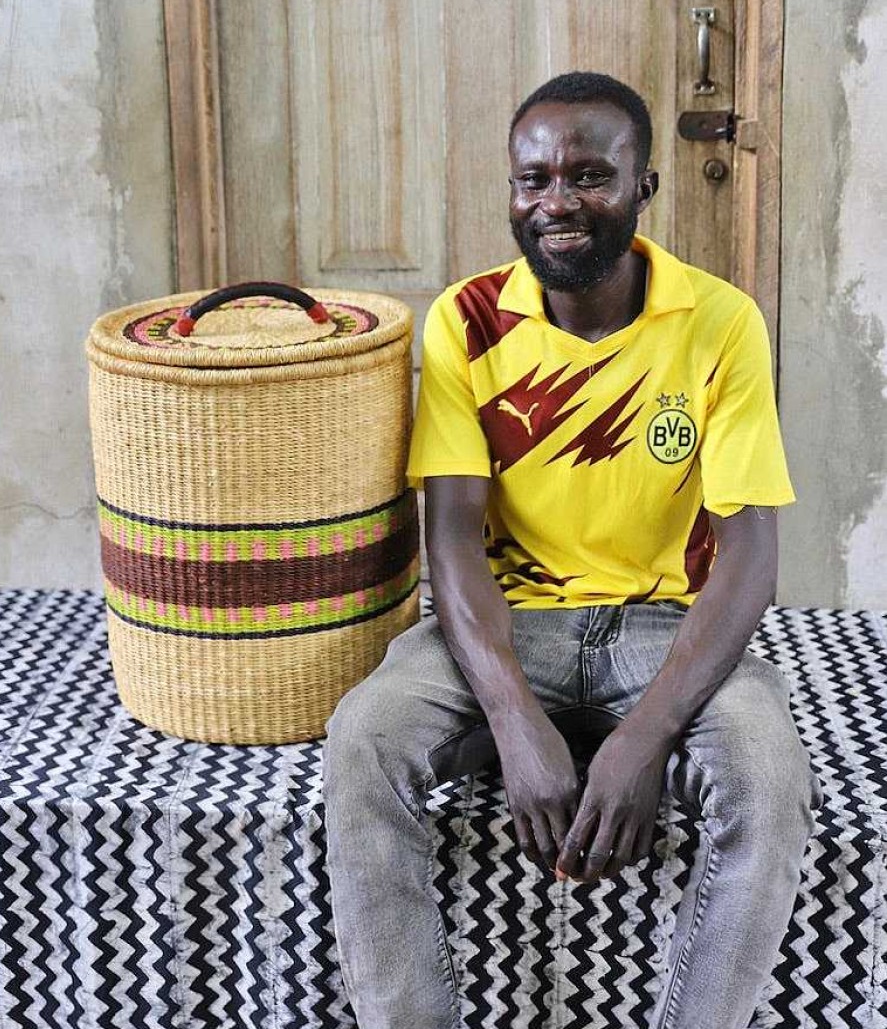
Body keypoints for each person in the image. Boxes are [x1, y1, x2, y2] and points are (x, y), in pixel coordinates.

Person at [322, 71, 821, 1029]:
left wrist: (644, 736)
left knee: (767, 771)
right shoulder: (467, 321)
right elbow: (453, 538)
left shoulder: (718, 322)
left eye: (589, 175)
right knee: (364, 739)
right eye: (532, 178)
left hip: (664, 627)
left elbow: (750, 554)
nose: (555, 202)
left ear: (644, 188)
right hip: (505, 627)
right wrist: (512, 718)